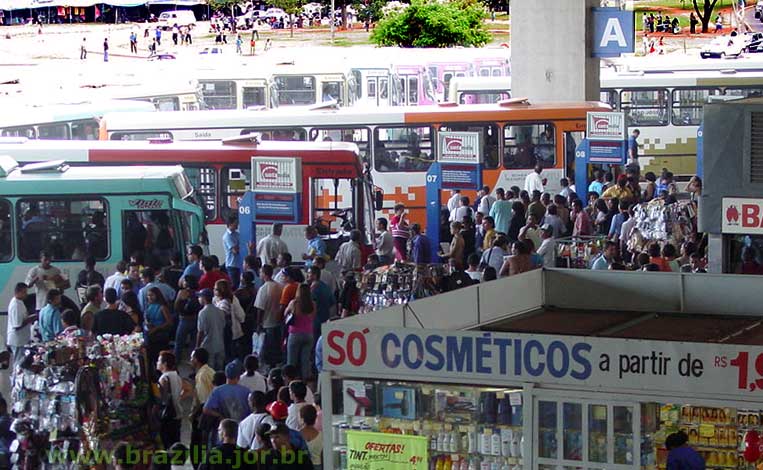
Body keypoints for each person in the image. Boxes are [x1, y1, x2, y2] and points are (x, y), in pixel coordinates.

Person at [203, 361, 252, 436]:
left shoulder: (218, 391)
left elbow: (206, 409)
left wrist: (219, 415)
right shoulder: (246, 391)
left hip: (224, 429)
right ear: (238, 377)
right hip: (242, 429)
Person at [254, 264, 284, 369]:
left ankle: (269, 368)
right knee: (277, 347)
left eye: (261, 272)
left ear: (265, 274)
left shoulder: (263, 289)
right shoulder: (279, 286)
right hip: (278, 321)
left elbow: (260, 308)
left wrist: (258, 323)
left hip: (267, 322)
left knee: (268, 348)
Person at [285, 284, 316, 382]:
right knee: (305, 360)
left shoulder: (294, 303)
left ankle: (290, 382)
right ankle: (306, 382)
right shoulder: (313, 304)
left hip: (295, 334)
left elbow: (285, 313)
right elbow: (313, 318)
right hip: (308, 334)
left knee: (291, 361)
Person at [156, 351, 182, 449]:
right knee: (175, 442)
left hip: (168, 415)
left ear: (165, 364)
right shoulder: (176, 375)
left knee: (167, 443)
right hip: (177, 412)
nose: (157, 363)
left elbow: (163, 398)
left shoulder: (164, 378)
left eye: (159, 361)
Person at [7, 283, 36, 369]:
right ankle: (16, 380)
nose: (26, 294)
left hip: (21, 339)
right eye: (24, 292)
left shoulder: (19, 302)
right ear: (18, 292)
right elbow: (17, 325)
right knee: (18, 363)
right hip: (18, 340)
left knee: (21, 362)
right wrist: (30, 319)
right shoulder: (16, 305)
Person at [196, 288, 226, 370]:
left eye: (200, 297)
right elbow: (223, 326)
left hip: (208, 346)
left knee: (210, 371)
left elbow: (200, 332)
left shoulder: (202, 313)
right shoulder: (220, 311)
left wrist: (197, 347)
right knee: (220, 369)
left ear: (204, 298)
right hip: (220, 345)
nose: (198, 299)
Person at [174, 275, 200, 359]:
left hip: (184, 319)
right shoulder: (198, 293)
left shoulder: (182, 292)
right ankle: (192, 360)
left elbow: (176, 307)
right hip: (195, 319)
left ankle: (176, 360)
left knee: (179, 342)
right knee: (193, 343)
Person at [299, 405, 322, 470]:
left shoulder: (297, 435)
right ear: (315, 417)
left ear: (302, 418)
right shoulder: (322, 436)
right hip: (318, 466)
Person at [223, 216, 242, 290]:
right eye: (235, 224)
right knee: (234, 285)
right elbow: (235, 251)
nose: (237, 225)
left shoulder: (237, 234)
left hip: (238, 264)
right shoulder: (227, 236)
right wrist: (240, 246)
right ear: (230, 224)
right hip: (232, 265)